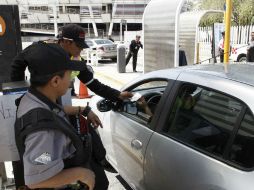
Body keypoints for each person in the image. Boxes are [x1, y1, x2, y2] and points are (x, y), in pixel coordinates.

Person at [11, 24, 133, 190]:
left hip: (45, 101)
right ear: (66, 42)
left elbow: (92, 83)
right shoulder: (43, 128)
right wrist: (79, 174)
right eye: (69, 76)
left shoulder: (41, 105)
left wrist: (114, 96)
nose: (71, 83)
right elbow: (40, 165)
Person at [14, 43, 96, 189]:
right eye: (69, 74)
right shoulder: (43, 131)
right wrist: (82, 174)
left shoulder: (34, 98)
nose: (71, 80)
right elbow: (36, 180)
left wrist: (82, 109)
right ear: (56, 81)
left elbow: (52, 112)